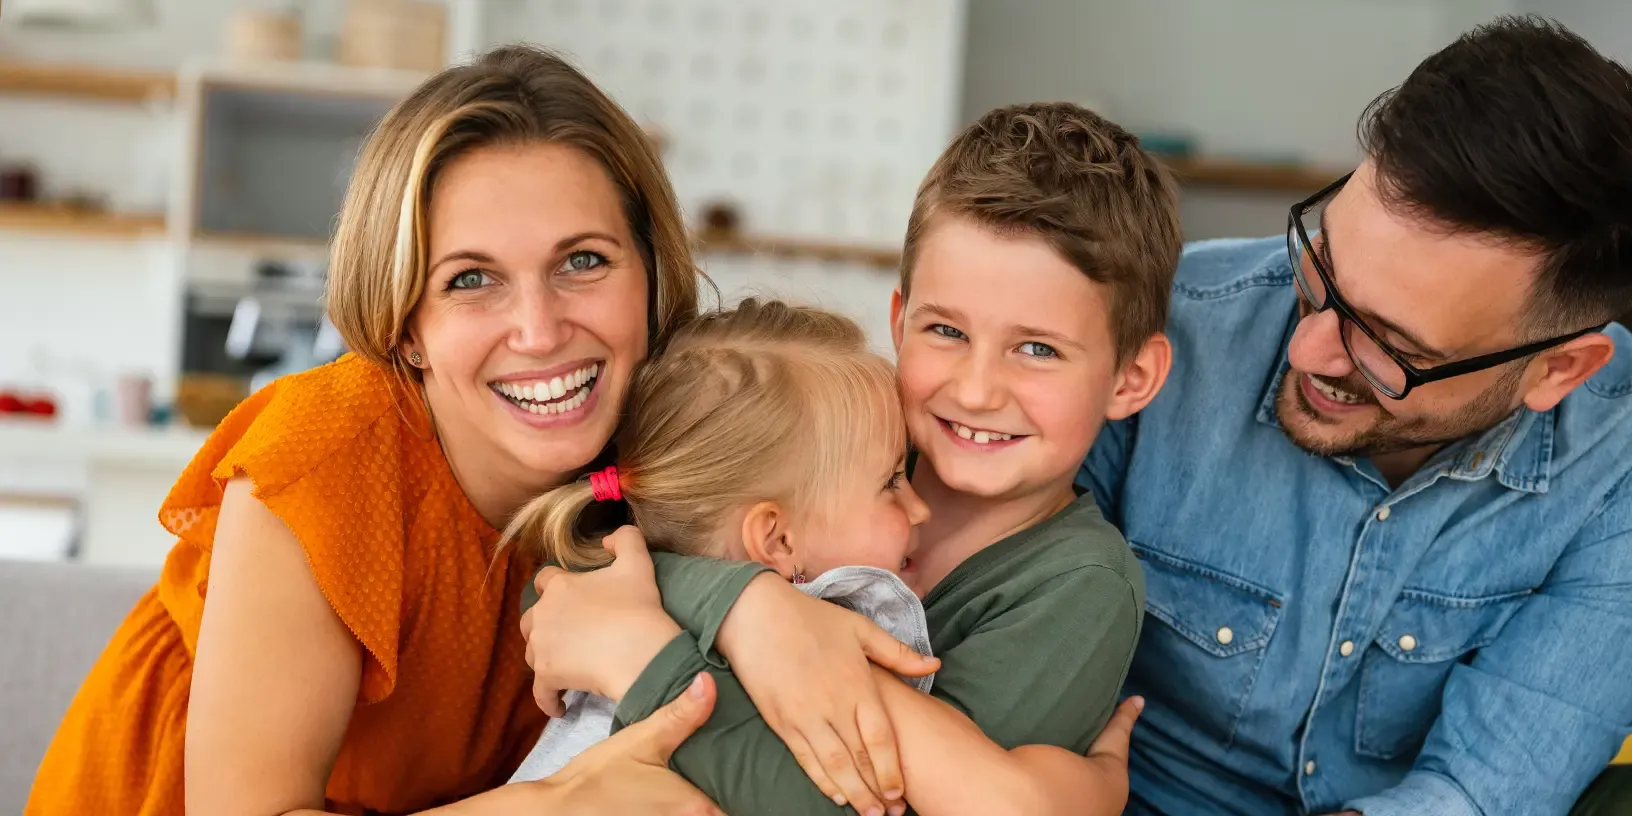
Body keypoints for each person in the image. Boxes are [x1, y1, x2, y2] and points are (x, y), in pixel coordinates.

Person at [1075, 16, 1632, 816]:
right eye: (1321, 265)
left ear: (1557, 370)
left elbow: (1488, 790)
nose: (1308, 350)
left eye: (1388, 344)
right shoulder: (1165, 323)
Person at [24, 45, 743, 815]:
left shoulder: (668, 445)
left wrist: (763, 616)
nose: (538, 330)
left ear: (650, 275)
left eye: (584, 262)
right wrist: (550, 807)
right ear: (405, 327)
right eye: (471, 279)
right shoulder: (324, 454)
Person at [520, 101, 1179, 816]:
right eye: (947, 330)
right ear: (899, 321)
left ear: (1130, 378)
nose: (978, 389)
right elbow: (579, 576)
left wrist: (649, 658)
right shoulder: (827, 445)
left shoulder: (1078, 586)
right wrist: (749, 605)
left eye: (1038, 349)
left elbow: (877, 802)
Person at [504, 298, 937, 782]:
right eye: (891, 482)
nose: (921, 508)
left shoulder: (617, 604)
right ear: (777, 540)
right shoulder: (752, 676)